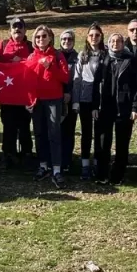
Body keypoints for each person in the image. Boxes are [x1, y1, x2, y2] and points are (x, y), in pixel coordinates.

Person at [26, 25, 71, 187]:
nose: (41, 39)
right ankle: (43, 166)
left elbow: (65, 77)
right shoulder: (31, 56)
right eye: (38, 37)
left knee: (54, 134)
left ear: (50, 38)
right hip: (37, 101)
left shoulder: (57, 55)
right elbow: (26, 80)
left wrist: (50, 66)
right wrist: (28, 100)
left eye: (44, 36)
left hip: (53, 100)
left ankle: (57, 170)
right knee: (39, 134)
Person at [97, 33, 137, 186]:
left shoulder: (131, 60)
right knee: (104, 142)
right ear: (108, 43)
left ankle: (118, 175)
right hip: (105, 107)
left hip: (124, 107)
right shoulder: (103, 59)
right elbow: (96, 83)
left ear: (123, 43)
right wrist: (95, 105)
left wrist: (135, 107)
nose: (115, 43)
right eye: (112, 41)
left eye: (119, 41)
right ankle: (102, 173)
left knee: (122, 142)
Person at [72, 25, 108, 181]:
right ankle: (85, 164)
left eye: (97, 35)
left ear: (101, 37)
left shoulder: (106, 54)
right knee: (86, 133)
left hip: (100, 99)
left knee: (100, 133)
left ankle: (98, 163)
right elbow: (77, 79)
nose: (94, 37)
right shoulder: (83, 55)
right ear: (87, 37)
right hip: (85, 99)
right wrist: (76, 101)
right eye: (91, 35)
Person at [0, 17, 34, 167]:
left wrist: (22, 62)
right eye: (14, 27)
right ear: (10, 30)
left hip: (26, 94)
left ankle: (27, 154)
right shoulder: (3, 44)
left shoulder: (31, 46)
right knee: (8, 125)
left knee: (25, 125)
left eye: (20, 27)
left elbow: (36, 63)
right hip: (7, 94)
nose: (17, 29)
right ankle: (8, 154)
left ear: (25, 30)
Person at [57, 30, 80, 172]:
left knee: (69, 130)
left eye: (69, 39)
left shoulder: (78, 57)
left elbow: (78, 79)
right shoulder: (55, 56)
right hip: (55, 98)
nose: (66, 41)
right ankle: (56, 159)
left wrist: (69, 93)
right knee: (56, 130)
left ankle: (67, 160)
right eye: (64, 39)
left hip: (71, 99)